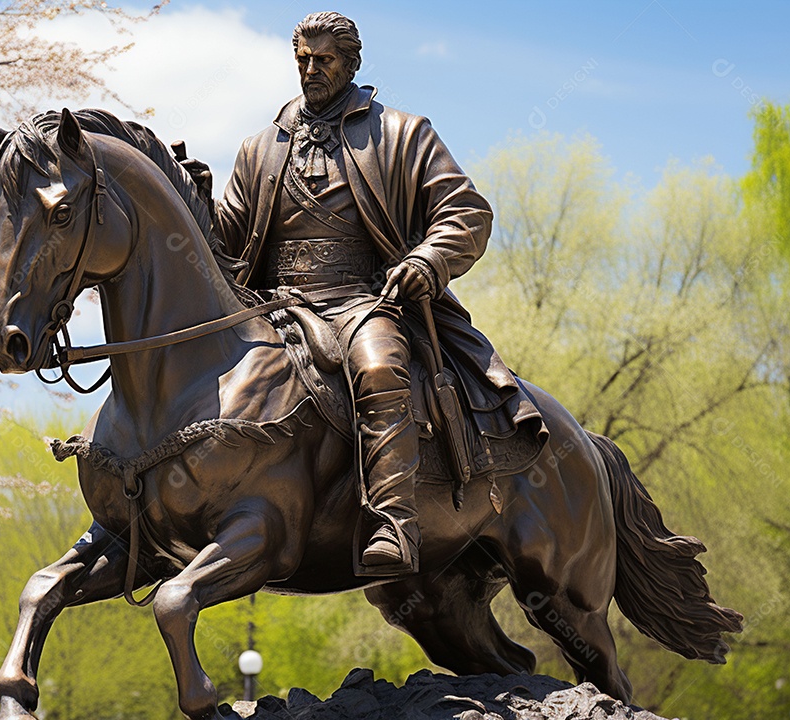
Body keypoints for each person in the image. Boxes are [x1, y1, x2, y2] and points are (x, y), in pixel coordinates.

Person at [180, 11, 545, 576]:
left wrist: (428, 259)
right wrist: (195, 205)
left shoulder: (402, 133)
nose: (309, 70)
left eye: (322, 60)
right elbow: (229, 247)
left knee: (379, 368)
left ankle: (394, 522)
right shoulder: (260, 148)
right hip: (275, 308)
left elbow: (466, 212)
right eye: (301, 59)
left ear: (351, 63)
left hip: (361, 301)